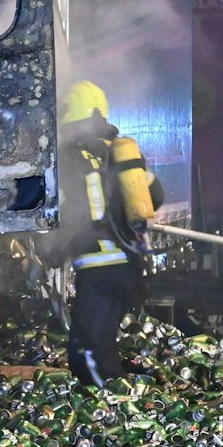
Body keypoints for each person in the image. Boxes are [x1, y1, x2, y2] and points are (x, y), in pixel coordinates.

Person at [56, 80, 164, 387]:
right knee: (102, 347)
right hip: (128, 267)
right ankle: (119, 400)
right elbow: (154, 196)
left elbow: (63, 213)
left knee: (86, 353)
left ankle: (113, 411)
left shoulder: (67, 158)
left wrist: (49, 250)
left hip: (99, 268)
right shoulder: (121, 153)